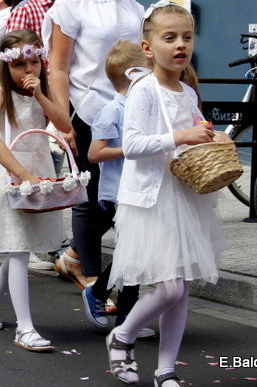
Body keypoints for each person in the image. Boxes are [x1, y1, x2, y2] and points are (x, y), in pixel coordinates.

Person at [104, 2, 227, 386]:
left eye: (186, 37)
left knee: (182, 288)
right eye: (169, 37)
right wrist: (180, 136)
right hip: (150, 200)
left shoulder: (187, 92)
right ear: (147, 46)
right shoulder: (144, 89)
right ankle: (122, 334)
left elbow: (192, 135)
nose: (180, 45)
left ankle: (166, 370)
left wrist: (210, 136)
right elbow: (134, 143)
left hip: (184, 196)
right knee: (169, 287)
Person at [41, 0, 145, 290]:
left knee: (124, 191)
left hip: (130, 109)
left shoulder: (130, 3)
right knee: (92, 191)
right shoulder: (70, 3)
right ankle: (88, 272)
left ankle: (73, 257)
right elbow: (58, 66)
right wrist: (62, 118)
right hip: (88, 109)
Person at [0, 30, 71, 351]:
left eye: (34, 63)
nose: (28, 71)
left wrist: (40, 96)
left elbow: (65, 125)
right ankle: (25, 327)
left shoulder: (43, 89)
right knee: (19, 248)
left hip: (38, 172)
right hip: (9, 174)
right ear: (6, 67)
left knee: (20, 247)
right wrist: (22, 173)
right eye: (20, 65)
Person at [82, 40, 154, 339]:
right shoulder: (111, 112)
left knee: (134, 254)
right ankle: (98, 293)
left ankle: (126, 318)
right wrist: (131, 148)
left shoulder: (144, 107)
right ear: (134, 75)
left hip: (140, 190)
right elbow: (94, 154)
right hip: (117, 194)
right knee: (130, 252)